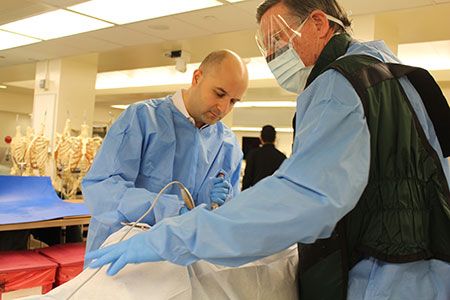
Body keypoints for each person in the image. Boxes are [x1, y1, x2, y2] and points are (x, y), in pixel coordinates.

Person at [86, 1, 450, 299]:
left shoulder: (337, 86)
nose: (274, 57)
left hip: (382, 275)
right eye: (267, 48)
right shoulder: (398, 75)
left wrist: (175, 233)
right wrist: (175, 216)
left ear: (319, 23)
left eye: (278, 40)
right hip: (428, 271)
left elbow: (298, 200)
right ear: (197, 77)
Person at [82, 49, 248, 259]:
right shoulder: (142, 118)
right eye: (219, 93)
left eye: (233, 101)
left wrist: (213, 205)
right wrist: (170, 210)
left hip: (181, 264)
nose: (223, 107)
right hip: (121, 254)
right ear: (197, 77)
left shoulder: (228, 145)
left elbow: (225, 221)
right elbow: (102, 189)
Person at [242, 125, 286, 190]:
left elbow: (247, 179)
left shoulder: (253, 154)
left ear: (261, 138)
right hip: (274, 193)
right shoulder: (282, 157)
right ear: (275, 138)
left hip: (256, 193)